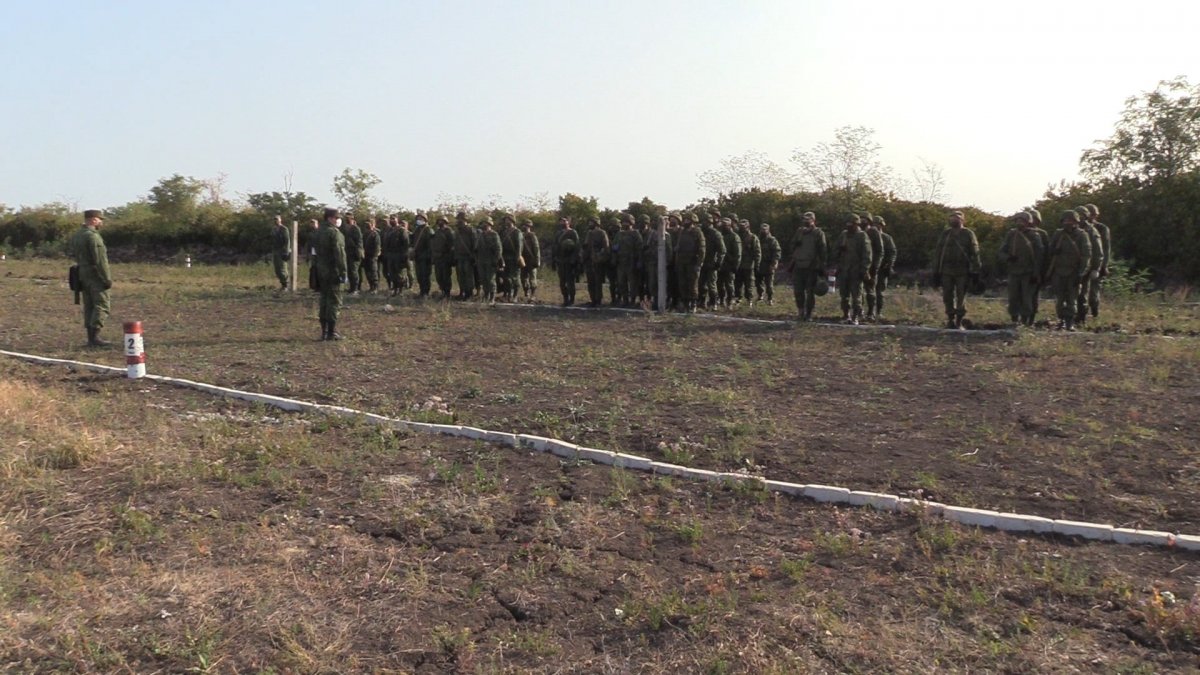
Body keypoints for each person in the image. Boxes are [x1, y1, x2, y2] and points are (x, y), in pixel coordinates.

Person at [66, 209, 112, 347]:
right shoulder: (93, 236)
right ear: (93, 220)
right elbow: (100, 260)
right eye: (99, 219)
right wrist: (106, 278)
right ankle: (95, 337)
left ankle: (91, 338)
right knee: (102, 304)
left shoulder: (77, 235)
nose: (101, 222)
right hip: (94, 273)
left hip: (82, 272)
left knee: (89, 305)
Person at [932, 211, 981, 329]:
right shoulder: (946, 234)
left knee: (961, 295)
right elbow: (938, 252)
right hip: (946, 269)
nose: (954, 220)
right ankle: (950, 318)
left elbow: (975, 252)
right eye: (952, 218)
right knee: (947, 295)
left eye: (957, 218)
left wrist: (976, 270)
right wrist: (936, 271)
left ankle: (959, 319)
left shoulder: (968, 233)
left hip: (962, 270)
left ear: (962, 220)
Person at [1047, 210, 1092, 331]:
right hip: (1058, 271)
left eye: (1070, 220)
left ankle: (1070, 322)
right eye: (1065, 220)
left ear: (1076, 222)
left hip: (1074, 272)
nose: (1068, 223)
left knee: (1072, 299)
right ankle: (1061, 320)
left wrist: (1081, 273)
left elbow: (1086, 256)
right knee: (1060, 299)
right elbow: (1049, 251)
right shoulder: (1058, 234)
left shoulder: (1082, 235)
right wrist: (1054, 251)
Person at [998, 211, 1044, 326]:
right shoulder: (1011, 235)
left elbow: (1039, 256)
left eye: (1022, 221)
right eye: (1017, 220)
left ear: (1028, 222)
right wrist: (1008, 258)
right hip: (1014, 271)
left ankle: (1026, 321)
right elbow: (1001, 252)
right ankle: (1014, 319)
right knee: (1013, 297)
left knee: (1026, 298)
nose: (1019, 223)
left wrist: (1036, 273)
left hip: (1028, 272)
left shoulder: (1035, 236)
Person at [315, 207, 348, 340]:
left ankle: (324, 332)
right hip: (333, 271)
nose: (338, 220)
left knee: (324, 301)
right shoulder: (334, 233)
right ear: (330, 218)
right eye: (336, 218)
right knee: (334, 301)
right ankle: (331, 332)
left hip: (321, 271)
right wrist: (343, 272)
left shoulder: (318, 232)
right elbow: (340, 255)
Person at [789, 211, 826, 321]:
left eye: (808, 220)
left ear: (813, 220)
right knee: (798, 291)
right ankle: (801, 312)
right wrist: (796, 244)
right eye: (804, 220)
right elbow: (791, 246)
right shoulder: (799, 232)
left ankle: (809, 314)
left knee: (810, 292)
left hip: (811, 266)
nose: (806, 222)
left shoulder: (818, 233)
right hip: (798, 265)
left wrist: (821, 266)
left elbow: (823, 251)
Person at [835, 214, 872, 324]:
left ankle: (855, 316)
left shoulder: (862, 236)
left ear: (857, 224)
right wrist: (839, 252)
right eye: (848, 224)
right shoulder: (844, 235)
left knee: (856, 296)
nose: (849, 227)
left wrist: (864, 270)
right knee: (844, 295)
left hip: (856, 270)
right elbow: (835, 250)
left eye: (851, 224)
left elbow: (867, 254)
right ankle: (846, 315)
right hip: (844, 269)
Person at [1082, 203, 1111, 321]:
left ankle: (1094, 313)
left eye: (1094, 215)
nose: (1092, 217)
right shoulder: (1081, 227)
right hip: (1084, 264)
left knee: (1093, 293)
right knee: (1082, 292)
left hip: (1097, 263)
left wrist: (1103, 266)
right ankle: (1081, 315)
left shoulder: (1102, 228)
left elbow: (1105, 248)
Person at [673, 213, 705, 312]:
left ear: (693, 221)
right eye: (685, 220)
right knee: (682, 283)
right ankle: (685, 302)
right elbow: (678, 245)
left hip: (692, 262)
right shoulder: (682, 232)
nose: (686, 222)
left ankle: (693, 303)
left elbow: (702, 249)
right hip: (682, 262)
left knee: (693, 284)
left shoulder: (697, 232)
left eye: (688, 220)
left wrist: (699, 264)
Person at [872, 215, 897, 320]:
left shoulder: (886, 238)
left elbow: (892, 252)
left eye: (877, 224)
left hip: (882, 268)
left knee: (879, 291)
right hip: (871, 268)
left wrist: (889, 265)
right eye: (874, 224)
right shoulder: (867, 237)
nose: (876, 226)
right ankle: (869, 312)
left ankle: (878, 312)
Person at [616, 216, 644, 307]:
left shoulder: (635, 234)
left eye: (626, 222)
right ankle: (625, 300)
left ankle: (632, 300)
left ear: (631, 223)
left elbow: (640, 248)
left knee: (632, 283)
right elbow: (614, 246)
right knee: (621, 282)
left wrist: (639, 261)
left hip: (631, 261)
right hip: (621, 262)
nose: (624, 224)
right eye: (623, 222)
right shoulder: (619, 234)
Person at [861, 212, 885, 320]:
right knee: (858, 291)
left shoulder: (874, 232)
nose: (862, 221)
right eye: (861, 218)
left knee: (870, 290)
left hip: (871, 266)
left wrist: (875, 266)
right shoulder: (858, 232)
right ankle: (859, 311)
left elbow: (880, 251)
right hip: (859, 265)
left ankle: (871, 312)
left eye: (864, 219)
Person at [582, 217, 610, 307]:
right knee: (590, 281)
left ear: (596, 223)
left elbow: (606, 247)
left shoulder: (602, 233)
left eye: (591, 223)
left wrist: (600, 258)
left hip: (597, 261)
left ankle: (598, 300)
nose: (590, 224)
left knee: (597, 282)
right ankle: (593, 299)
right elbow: (586, 246)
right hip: (589, 261)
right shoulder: (589, 233)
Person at [699, 213, 725, 310]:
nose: (704, 224)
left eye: (706, 222)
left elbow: (722, 250)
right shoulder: (701, 232)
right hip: (702, 262)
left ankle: (714, 303)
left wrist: (718, 262)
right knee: (701, 284)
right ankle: (702, 302)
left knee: (712, 285)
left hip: (712, 263)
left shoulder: (716, 234)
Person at [477, 217, 504, 305]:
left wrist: (495, 260)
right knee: (484, 279)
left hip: (491, 261)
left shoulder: (494, 234)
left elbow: (498, 249)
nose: (484, 225)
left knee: (491, 280)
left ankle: (492, 298)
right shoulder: (480, 235)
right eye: (483, 223)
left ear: (490, 224)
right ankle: (486, 296)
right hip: (481, 260)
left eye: (486, 223)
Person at [453, 211, 478, 300]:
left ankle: (469, 293)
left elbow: (475, 244)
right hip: (459, 256)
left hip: (468, 256)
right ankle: (462, 291)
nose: (459, 221)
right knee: (460, 275)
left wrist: (473, 255)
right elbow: (455, 244)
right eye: (458, 219)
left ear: (465, 220)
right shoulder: (457, 231)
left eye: (461, 219)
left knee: (468, 275)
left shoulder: (471, 230)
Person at [554, 217, 580, 306]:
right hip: (560, 260)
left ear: (568, 222)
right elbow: (555, 247)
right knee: (562, 282)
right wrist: (553, 259)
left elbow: (577, 247)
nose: (563, 223)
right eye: (561, 221)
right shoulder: (558, 234)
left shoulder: (573, 232)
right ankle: (565, 298)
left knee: (570, 281)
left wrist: (574, 260)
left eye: (564, 221)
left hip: (570, 261)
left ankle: (571, 299)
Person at [430, 215, 456, 298]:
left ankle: (447, 292)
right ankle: (442, 291)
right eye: (439, 221)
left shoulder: (449, 232)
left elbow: (452, 246)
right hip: (437, 257)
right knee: (439, 276)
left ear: (445, 222)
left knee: (446, 276)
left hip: (445, 257)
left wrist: (450, 257)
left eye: (442, 221)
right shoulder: (437, 232)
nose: (440, 223)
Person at [736, 219, 761, 305]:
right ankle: (738, 298)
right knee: (737, 283)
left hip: (748, 264)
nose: (742, 228)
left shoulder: (752, 237)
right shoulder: (737, 236)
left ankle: (749, 299)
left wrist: (757, 264)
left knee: (749, 283)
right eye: (741, 226)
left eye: (744, 226)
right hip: (738, 264)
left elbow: (757, 252)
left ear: (748, 226)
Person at [718, 217, 741, 308]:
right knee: (719, 284)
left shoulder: (734, 236)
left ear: (729, 225)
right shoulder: (720, 235)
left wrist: (736, 265)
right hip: (720, 264)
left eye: (725, 225)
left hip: (729, 264)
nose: (723, 227)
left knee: (729, 284)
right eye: (722, 225)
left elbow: (738, 253)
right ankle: (722, 299)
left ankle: (730, 300)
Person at [756, 222, 781, 304]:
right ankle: (760, 296)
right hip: (759, 264)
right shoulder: (757, 239)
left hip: (768, 264)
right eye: (762, 229)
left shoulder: (772, 240)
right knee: (758, 282)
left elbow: (776, 252)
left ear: (768, 230)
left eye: (765, 230)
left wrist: (774, 263)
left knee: (769, 283)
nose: (763, 231)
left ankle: (770, 298)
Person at [500, 215, 523, 302]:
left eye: (508, 220)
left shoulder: (517, 232)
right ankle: (509, 293)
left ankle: (515, 295)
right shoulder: (503, 232)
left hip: (514, 257)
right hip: (505, 257)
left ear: (512, 221)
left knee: (515, 277)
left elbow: (519, 246)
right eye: (505, 220)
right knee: (506, 278)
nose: (506, 221)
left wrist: (518, 257)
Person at [412, 214, 433, 297]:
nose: (419, 220)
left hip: (425, 257)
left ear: (425, 220)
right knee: (419, 275)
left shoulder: (428, 230)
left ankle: (426, 293)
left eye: (420, 219)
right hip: (418, 256)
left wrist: (428, 256)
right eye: (418, 219)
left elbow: (430, 245)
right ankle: (421, 291)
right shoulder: (417, 230)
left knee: (425, 275)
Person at [343, 215, 364, 295]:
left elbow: (359, 242)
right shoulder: (346, 229)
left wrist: (358, 252)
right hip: (349, 253)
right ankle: (351, 288)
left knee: (354, 271)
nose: (347, 220)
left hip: (355, 253)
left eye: (348, 219)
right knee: (350, 271)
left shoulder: (355, 229)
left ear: (352, 219)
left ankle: (355, 289)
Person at [520, 219, 540, 300]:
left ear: (530, 226)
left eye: (527, 226)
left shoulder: (532, 236)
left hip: (531, 259)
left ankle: (533, 295)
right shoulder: (521, 235)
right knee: (523, 278)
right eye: (524, 225)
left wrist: (537, 260)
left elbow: (536, 248)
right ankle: (526, 292)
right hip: (523, 259)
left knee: (532, 278)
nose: (525, 227)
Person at [270, 215, 291, 292]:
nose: (276, 221)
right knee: (277, 269)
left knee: (283, 268)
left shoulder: (284, 229)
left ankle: (286, 285)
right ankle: (282, 284)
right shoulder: (274, 229)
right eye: (275, 220)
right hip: (276, 251)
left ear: (280, 220)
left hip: (282, 251)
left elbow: (287, 241)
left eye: (277, 219)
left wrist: (286, 251)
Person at [361, 217, 381, 293]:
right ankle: (371, 286)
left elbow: (377, 246)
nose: (367, 225)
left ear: (373, 224)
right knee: (367, 272)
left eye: (369, 223)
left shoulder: (375, 234)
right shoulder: (365, 234)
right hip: (366, 255)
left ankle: (375, 288)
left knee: (373, 272)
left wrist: (375, 255)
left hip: (372, 256)